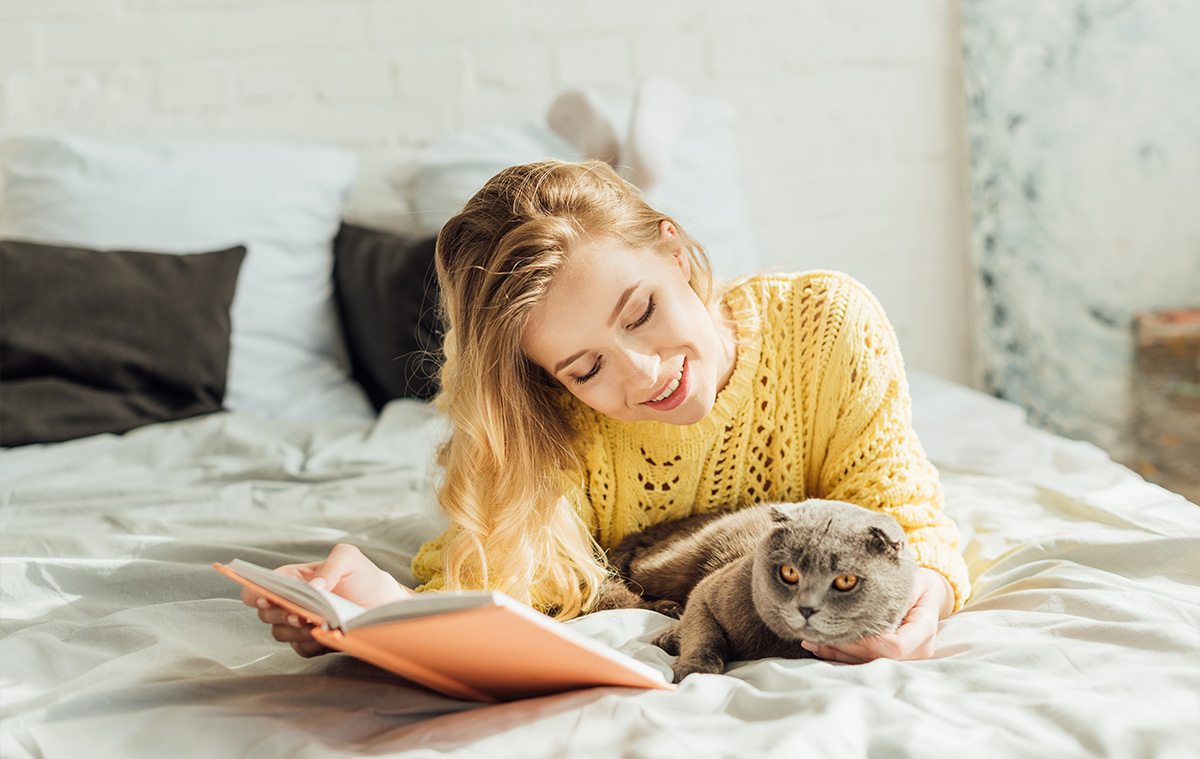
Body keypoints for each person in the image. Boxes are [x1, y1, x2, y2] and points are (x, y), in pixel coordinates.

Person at [244, 159, 971, 665]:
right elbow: (496, 582)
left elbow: (906, 516)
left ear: (674, 249)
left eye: (642, 311)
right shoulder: (549, 419)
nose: (645, 373)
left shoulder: (826, 324)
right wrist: (371, 607)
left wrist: (923, 604)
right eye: (586, 367)